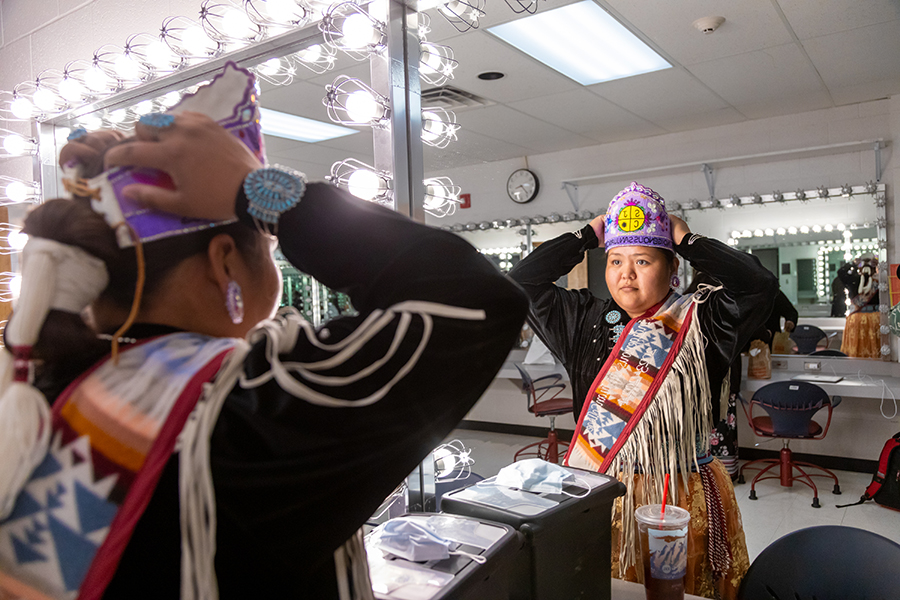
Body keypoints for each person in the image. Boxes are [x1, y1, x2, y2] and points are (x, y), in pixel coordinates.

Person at [0, 78, 527, 600]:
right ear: (224, 260)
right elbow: (474, 297)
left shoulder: (38, 390)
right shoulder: (247, 408)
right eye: (269, 241)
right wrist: (266, 193)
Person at [509, 182, 777, 599]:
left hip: (679, 497)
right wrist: (586, 235)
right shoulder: (583, 320)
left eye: (643, 260)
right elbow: (521, 281)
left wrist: (687, 240)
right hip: (598, 492)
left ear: (673, 271)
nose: (625, 273)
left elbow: (759, 285)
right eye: (615, 260)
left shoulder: (703, 320)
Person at [838, 257, 880, 358]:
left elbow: (841, 272)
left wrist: (853, 264)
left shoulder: (853, 279)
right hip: (876, 318)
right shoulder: (879, 281)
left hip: (857, 320)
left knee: (856, 351)